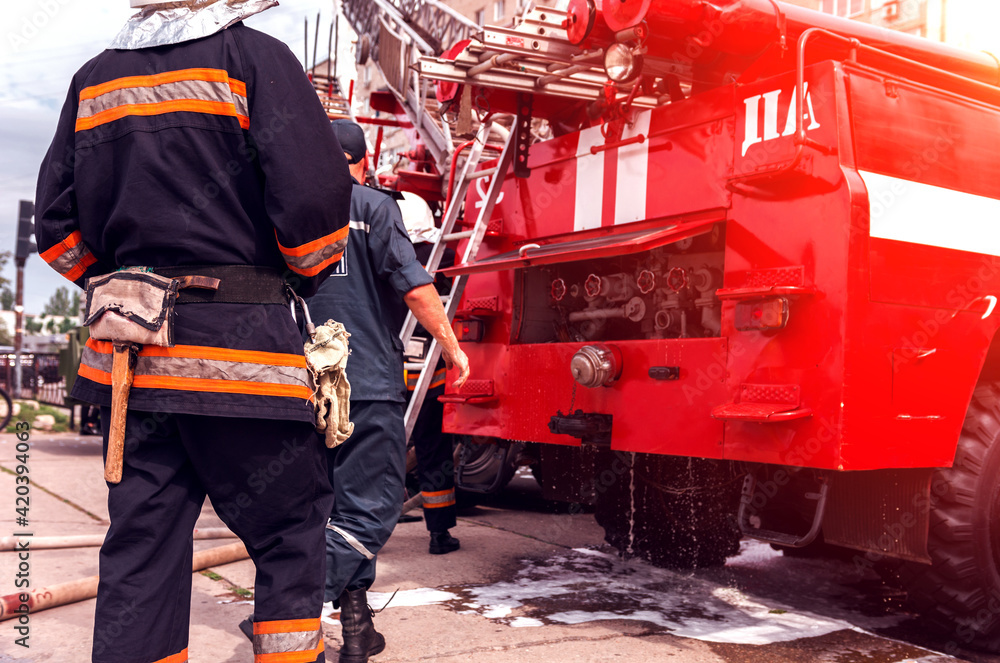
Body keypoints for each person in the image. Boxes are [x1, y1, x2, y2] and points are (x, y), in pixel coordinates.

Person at [34, 2, 352, 662]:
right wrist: (291, 277)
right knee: (289, 534)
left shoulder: (93, 81)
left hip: (132, 372)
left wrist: (133, 291)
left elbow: (55, 232)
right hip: (246, 360)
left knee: (142, 550)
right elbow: (316, 219)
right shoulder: (255, 60)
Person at [307, 119, 470, 663]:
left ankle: (356, 632)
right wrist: (452, 345)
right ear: (359, 162)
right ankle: (288, 604)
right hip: (364, 382)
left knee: (330, 510)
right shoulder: (375, 207)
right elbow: (417, 288)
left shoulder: (285, 210)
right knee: (372, 509)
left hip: (300, 383)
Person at [397, 193, 461, 555]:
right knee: (433, 451)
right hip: (428, 375)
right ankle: (439, 534)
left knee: (377, 450)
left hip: (389, 370)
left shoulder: (387, 254)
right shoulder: (444, 257)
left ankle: (364, 534)